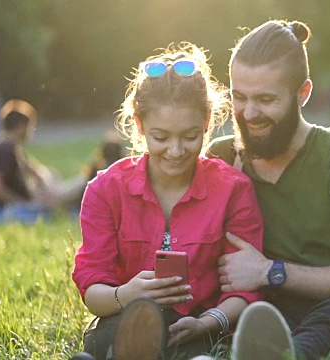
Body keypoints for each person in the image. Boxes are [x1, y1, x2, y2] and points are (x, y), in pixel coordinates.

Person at [205, 20, 330, 360]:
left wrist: (269, 271)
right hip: (254, 310)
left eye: (266, 99)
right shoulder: (221, 158)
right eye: (239, 97)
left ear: (303, 93)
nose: (249, 113)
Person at [71, 42, 264, 360]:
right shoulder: (105, 190)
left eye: (190, 136)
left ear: (207, 124)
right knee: (120, 334)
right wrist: (127, 294)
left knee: (198, 349)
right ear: (139, 126)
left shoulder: (233, 190)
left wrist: (208, 322)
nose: (176, 151)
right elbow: (93, 288)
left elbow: (243, 288)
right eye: (161, 137)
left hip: (201, 325)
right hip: (124, 319)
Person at [0, 99, 86, 224]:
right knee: (79, 187)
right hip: (13, 208)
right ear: (21, 127)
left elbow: (34, 169)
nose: (31, 132)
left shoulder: (11, 148)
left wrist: (43, 181)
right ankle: (86, 185)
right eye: (31, 127)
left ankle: (82, 186)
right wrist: (23, 203)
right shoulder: (5, 150)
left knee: (52, 175)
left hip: (27, 198)